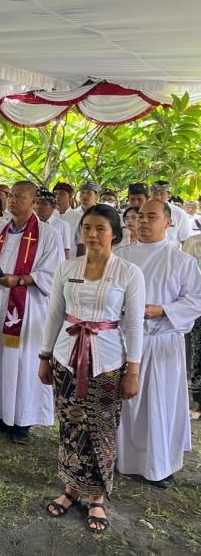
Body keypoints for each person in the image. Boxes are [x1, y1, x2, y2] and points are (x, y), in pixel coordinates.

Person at [39, 204, 145, 534]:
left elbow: (134, 326)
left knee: (101, 430)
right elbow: (55, 314)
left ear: (115, 233)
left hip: (108, 363)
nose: (93, 234)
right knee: (70, 427)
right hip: (65, 358)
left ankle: (97, 496)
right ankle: (70, 488)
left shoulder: (129, 273)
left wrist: (133, 370)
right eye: (87, 227)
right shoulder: (66, 267)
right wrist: (44, 357)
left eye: (100, 228)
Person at [116, 200, 201, 487]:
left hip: (161, 341)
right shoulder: (119, 256)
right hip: (124, 341)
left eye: (151, 216)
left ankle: (158, 465)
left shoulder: (182, 262)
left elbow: (195, 301)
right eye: (139, 216)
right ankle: (119, 457)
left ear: (169, 222)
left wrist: (162, 310)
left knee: (158, 405)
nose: (143, 221)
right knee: (124, 405)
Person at [0, 181, 63, 444]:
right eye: (10, 196)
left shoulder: (47, 234)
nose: (12, 201)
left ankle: (22, 421)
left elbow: (52, 273)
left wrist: (19, 281)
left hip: (27, 307)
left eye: (19, 197)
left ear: (33, 202)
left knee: (22, 361)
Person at [182, 232, 201, 418]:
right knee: (198, 353)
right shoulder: (193, 242)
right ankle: (198, 403)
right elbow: (188, 280)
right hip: (199, 306)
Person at [151, 180, 192, 248]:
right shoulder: (142, 211)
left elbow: (186, 241)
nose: (157, 197)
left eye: (161, 194)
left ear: (169, 196)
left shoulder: (179, 214)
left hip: (171, 256)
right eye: (155, 193)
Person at [35, 188, 72, 260]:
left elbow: (66, 250)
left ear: (53, 206)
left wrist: (64, 270)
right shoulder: (32, 224)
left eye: (44, 204)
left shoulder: (63, 225)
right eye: (37, 203)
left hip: (55, 267)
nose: (39, 207)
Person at [73, 182, 99, 257]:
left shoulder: (102, 213)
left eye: (88, 193)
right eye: (82, 193)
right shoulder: (73, 214)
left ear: (96, 196)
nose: (84, 196)